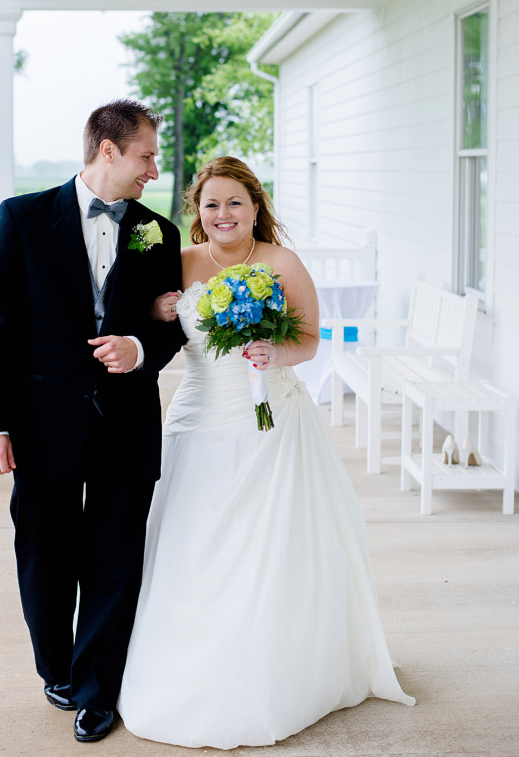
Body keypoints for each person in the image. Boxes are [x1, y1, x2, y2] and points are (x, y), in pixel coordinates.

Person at [117, 156, 415, 749]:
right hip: (199, 416)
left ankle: (274, 663)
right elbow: (153, 323)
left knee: (268, 542)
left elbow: (308, 339)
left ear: (256, 208)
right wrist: (156, 311)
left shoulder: (282, 263)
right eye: (211, 204)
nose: (223, 214)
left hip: (270, 419)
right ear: (197, 213)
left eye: (235, 202)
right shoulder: (181, 262)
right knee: (192, 541)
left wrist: (274, 355)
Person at [0, 99, 185, 744]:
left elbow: (170, 326)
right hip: (41, 425)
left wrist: (141, 347)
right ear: (109, 149)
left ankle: (98, 690)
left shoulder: (159, 231)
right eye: (146, 155)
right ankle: (56, 668)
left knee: (114, 560)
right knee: (44, 555)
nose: (154, 169)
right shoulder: (24, 218)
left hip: (125, 424)